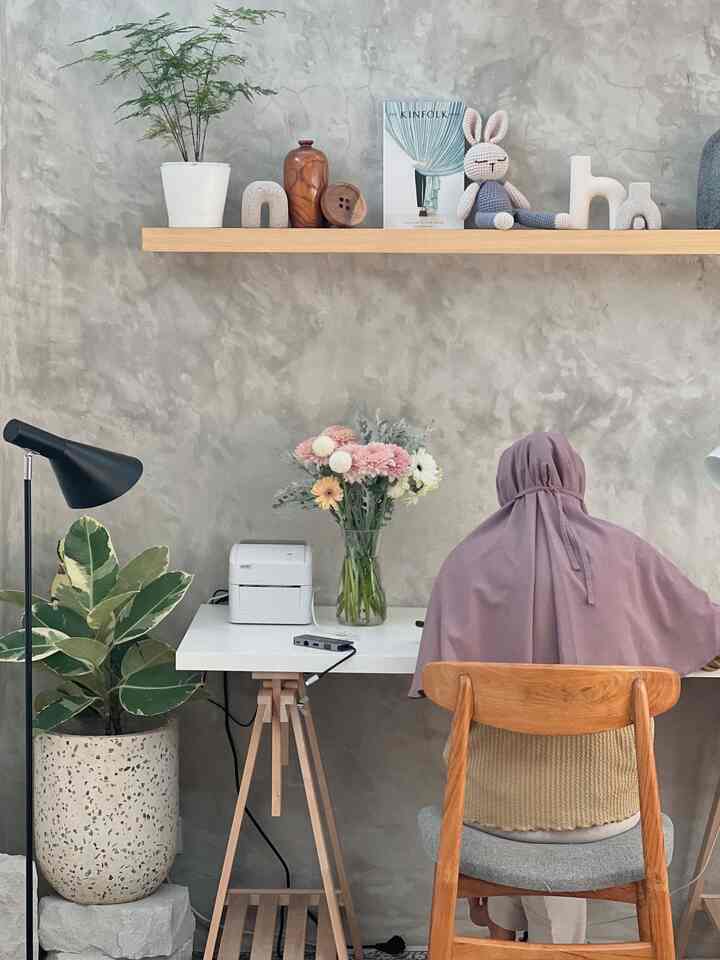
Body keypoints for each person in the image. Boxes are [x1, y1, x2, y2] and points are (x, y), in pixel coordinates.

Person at [411, 431, 720, 944]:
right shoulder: (626, 553)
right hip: (610, 813)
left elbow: (434, 671)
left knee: (517, 785)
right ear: (578, 478)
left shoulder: (464, 562)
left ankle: (506, 943)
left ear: (503, 483)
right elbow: (704, 628)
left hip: (488, 814)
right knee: (563, 785)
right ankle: (554, 948)